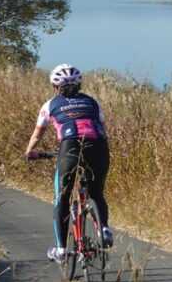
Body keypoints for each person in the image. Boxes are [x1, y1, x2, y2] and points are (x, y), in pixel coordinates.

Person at [23, 63, 113, 263]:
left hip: (70, 146)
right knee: (96, 191)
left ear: (56, 87)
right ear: (79, 84)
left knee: (62, 198)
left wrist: (30, 151)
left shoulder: (50, 105)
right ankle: (104, 229)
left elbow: (38, 132)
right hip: (98, 146)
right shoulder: (92, 102)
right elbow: (102, 128)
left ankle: (61, 249)